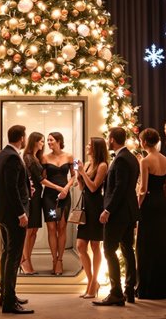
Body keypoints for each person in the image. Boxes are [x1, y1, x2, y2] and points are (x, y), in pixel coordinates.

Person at [134, 128, 166, 299]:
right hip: (162, 203)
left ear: (143, 142)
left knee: (147, 244)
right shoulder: (164, 159)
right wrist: (162, 201)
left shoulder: (145, 161)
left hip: (149, 204)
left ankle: (149, 287)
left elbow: (143, 189)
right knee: (165, 242)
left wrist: (137, 208)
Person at [94, 127, 139, 307]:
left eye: (108, 138)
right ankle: (129, 291)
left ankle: (116, 293)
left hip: (118, 213)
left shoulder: (120, 159)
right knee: (128, 250)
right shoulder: (131, 157)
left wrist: (108, 210)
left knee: (109, 250)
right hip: (129, 212)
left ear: (112, 139)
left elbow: (119, 188)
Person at [0, 125, 32, 314]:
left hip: (3, 212)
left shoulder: (1, 155)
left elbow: (6, 185)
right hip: (13, 215)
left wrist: (25, 188)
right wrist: (21, 213)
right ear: (21, 138)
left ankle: (6, 295)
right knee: (13, 257)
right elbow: (10, 188)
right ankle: (8, 302)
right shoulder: (13, 157)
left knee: (7, 254)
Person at [75, 136, 108, 299]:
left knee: (95, 246)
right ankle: (92, 282)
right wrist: (78, 175)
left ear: (96, 148)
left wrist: (83, 173)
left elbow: (94, 188)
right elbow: (83, 188)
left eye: (90, 145)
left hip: (96, 207)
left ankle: (94, 282)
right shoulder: (87, 164)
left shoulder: (102, 166)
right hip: (85, 207)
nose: (87, 146)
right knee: (80, 246)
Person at [40, 132, 73, 275]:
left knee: (62, 226)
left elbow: (74, 176)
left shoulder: (70, 156)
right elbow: (42, 180)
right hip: (49, 197)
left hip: (65, 196)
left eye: (51, 140)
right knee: (52, 227)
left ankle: (60, 260)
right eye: (47, 140)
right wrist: (57, 187)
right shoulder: (44, 158)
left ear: (59, 141)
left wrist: (66, 188)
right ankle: (54, 260)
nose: (48, 143)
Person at [20, 132, 45, 275]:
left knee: (34, 230)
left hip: (37, 196)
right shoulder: (29, 158)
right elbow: (39, 179)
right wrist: (60, 187)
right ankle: (25, 260)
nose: (43, 144)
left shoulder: (36, 157)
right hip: (32, 196)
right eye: (41, 141)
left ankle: (27, 258)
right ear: (34, 142)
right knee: (29, 231)